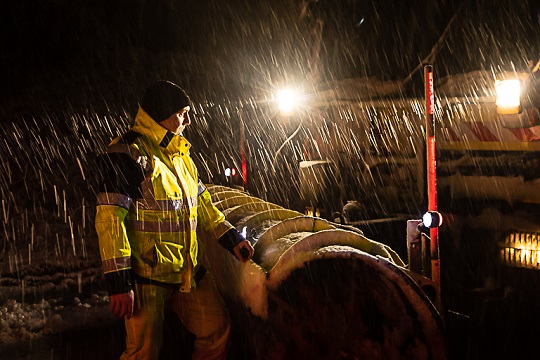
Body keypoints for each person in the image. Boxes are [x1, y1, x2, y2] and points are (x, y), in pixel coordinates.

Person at [94, 80, 254, 359]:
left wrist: (231, 238)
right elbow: (110, 219)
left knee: (218, 331)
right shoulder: (127, 152)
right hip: (146, 275)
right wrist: (119, 282)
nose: (188, 120)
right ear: (162, 114)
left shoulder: (181, 155)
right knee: (143, 353)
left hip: (188, 271)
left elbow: (200, 202)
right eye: (182, 113)